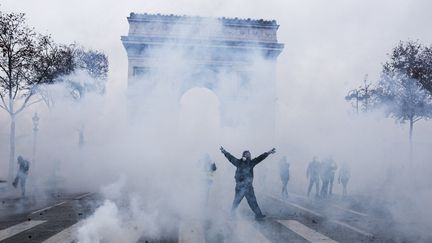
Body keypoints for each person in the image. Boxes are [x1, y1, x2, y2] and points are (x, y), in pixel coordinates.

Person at [220, 146, 276, 220]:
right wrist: (224, 151)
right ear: (243, 155)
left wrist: (269, 152)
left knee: (253, 201)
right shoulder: (239, 162)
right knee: (236, 201)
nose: (249, 155)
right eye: (247, 154)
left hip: (248, 187)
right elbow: (230, 157)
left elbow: (260, 158)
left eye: (249, 154)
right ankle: (231, 214)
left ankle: (258, 215)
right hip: (240, 187)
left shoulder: (251, 163)